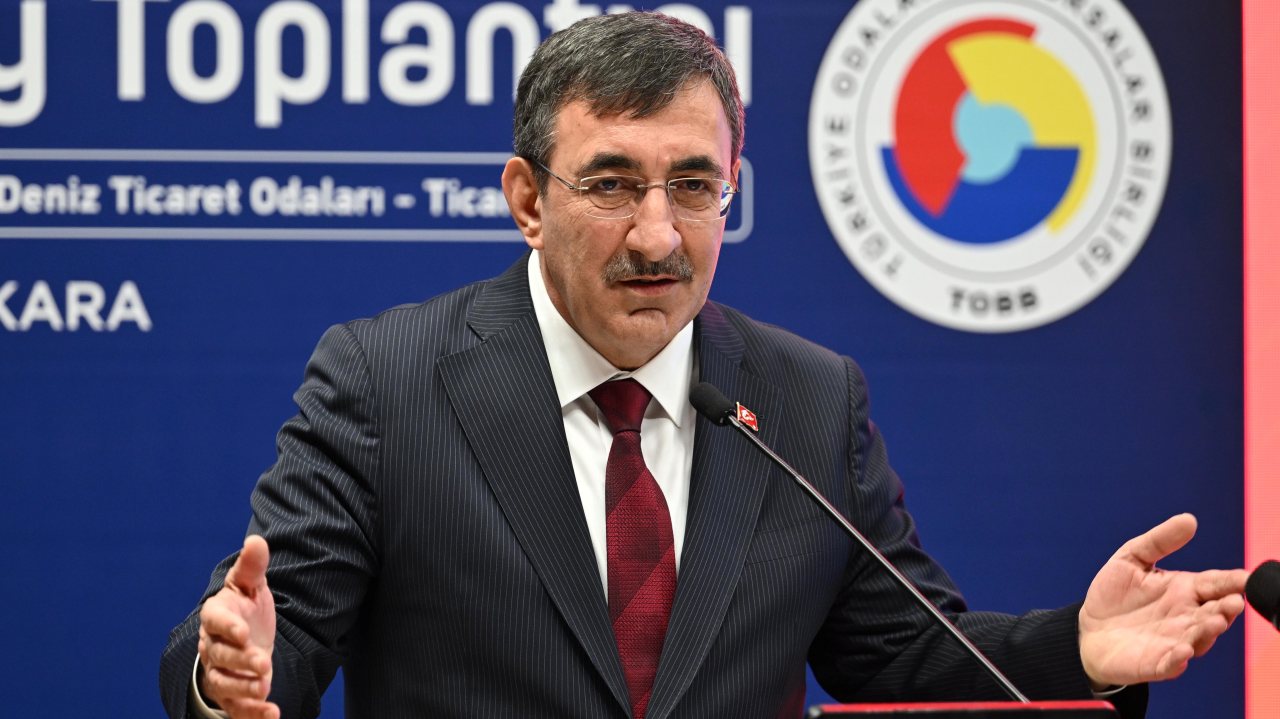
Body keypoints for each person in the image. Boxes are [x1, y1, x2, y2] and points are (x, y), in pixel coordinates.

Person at [160, 12, 1247, 719]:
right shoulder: (386, 380)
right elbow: (276, 632)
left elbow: (899, 655)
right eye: (609, 185)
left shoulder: (806, 396)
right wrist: (229, 671)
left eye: (692, 186)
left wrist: (1080, 648)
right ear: (528, 200)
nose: (657, 235)